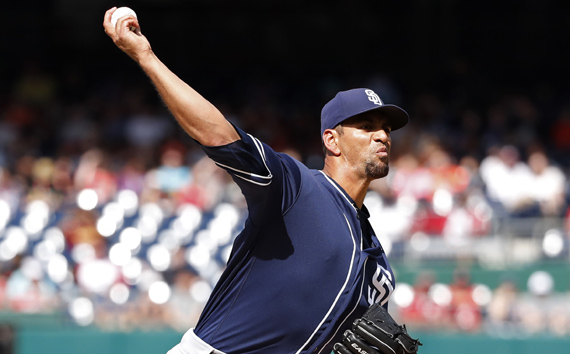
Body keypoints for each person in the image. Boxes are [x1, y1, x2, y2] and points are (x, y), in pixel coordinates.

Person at [103, 7, 410, 354]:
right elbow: (221, 137)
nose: (382, 135)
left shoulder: (376, 261)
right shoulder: (298, 188)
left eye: (385, 128)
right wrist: (146, 57)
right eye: (366, 127)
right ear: (331, 140)